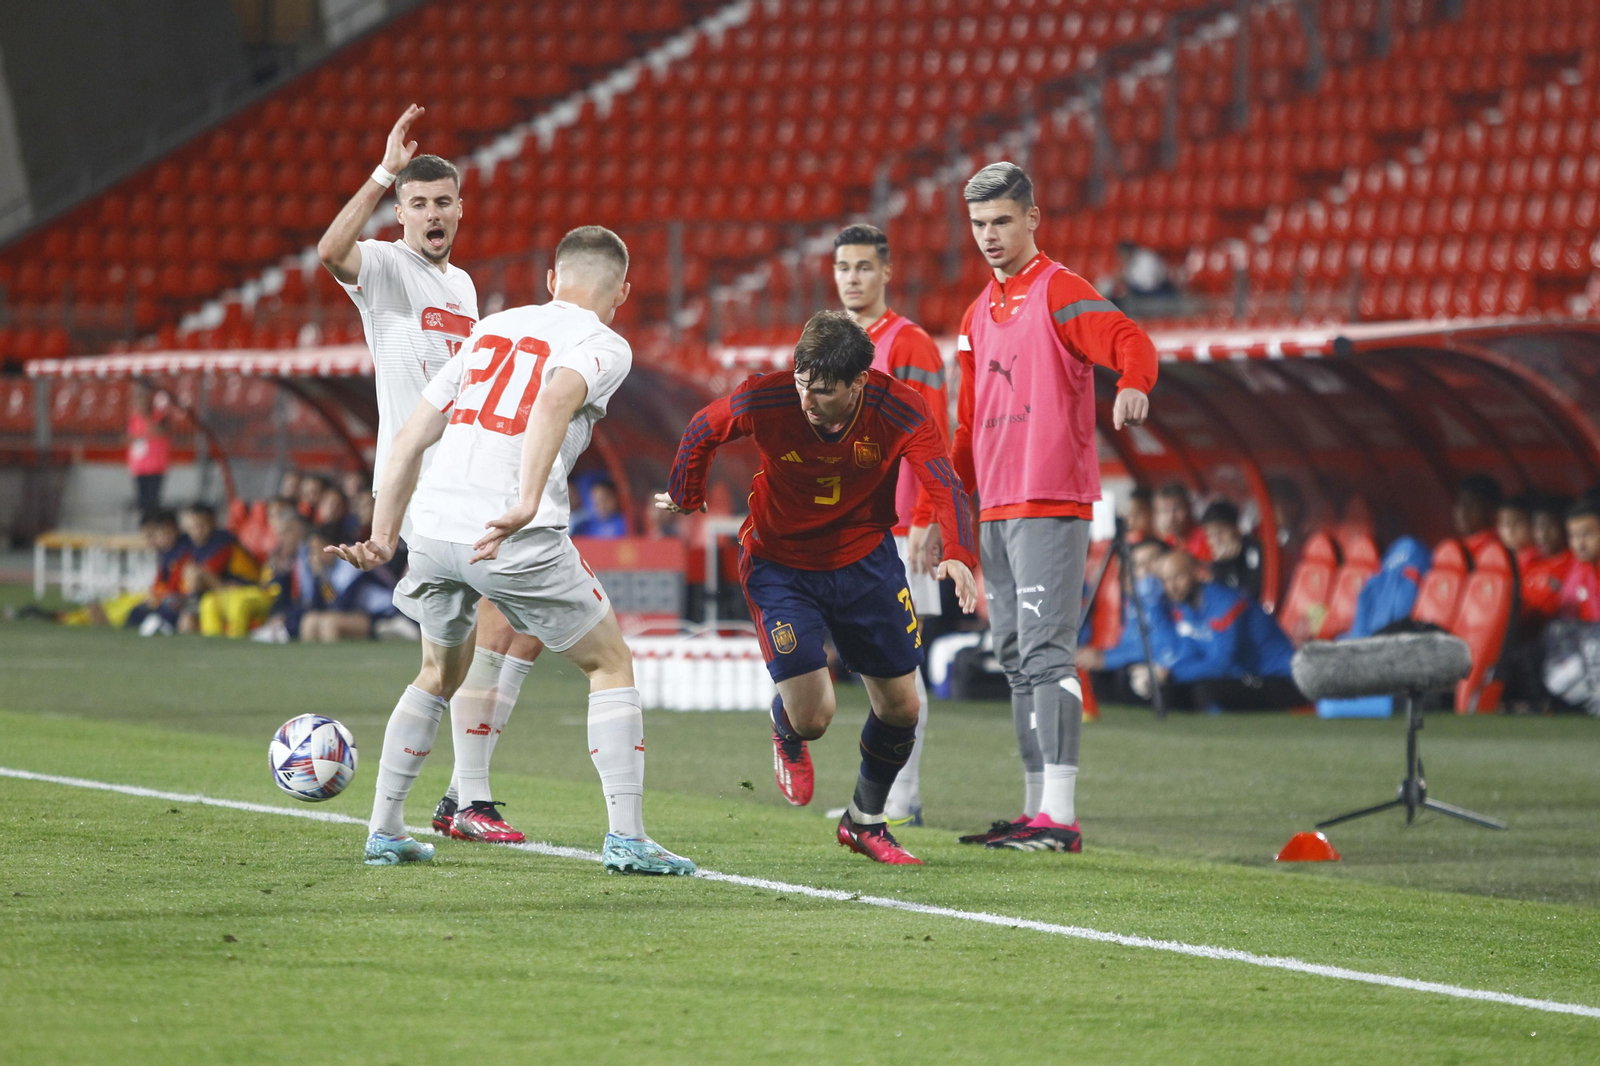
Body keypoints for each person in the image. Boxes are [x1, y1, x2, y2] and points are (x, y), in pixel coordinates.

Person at [328, 225, 694, 874]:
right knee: (608, 661)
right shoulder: (603, 342)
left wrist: (385, 536)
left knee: (438, 673)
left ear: (553, 280)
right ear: (622, 293)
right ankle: (628, 838)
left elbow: (412, 433)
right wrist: (527, 498)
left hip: (434, 526)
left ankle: (385, 830)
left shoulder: (494, 326)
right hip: (509, 530)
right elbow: (556, 395)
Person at [658, 310, 978, 865]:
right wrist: (686, 492)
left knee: (903, 706)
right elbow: (702, 430)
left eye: (823, 391)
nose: (807, 400)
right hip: (780, 566)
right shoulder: (767, 396)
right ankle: (786, 727)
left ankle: (865, 821)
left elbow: (943, 481)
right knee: (814, 717)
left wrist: (959, 554)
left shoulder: (899, 406)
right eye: (803, 384)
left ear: (859, 384)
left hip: (864, 562)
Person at [317, 103, 546, 845]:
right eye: (417, 203)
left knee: (453, 664)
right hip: (418, 488)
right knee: (508, 618)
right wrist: (383, 170)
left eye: (443, 201)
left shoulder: (466, 288)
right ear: (403, 212)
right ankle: (467, 798)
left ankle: (426, 811)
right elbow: (329, 250)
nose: (431, 213)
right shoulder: (384, 266)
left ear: (459, 207)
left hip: (468, 482)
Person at [949, 162, 1156, 853]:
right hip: (995, 510)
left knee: (1045, 653)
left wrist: (1133, 383)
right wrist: (947, 511)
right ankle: (1036, 808)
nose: (989, 236)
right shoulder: (977, 314)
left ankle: (1060, 819)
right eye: (978, 224)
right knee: (1013, 656)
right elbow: (965, 424)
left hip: (1049, 499)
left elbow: (1130, 339)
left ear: (1032, 219)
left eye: (1002, 221)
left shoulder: (1060, 291)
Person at [831, 222, 949, 828]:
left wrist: (929, 517)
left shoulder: (911, 343)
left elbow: (932, 437)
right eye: (844, 268)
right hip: (850, 530)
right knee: (876, 665)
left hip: (902, 528)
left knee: (902, 663)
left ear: (886, 273)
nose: (853, 277)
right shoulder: (830, 345)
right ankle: (882, 793)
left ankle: (902, 797)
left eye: (863, 267)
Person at [1135, 551, 1304, 712]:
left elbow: (1222, 664)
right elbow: (1185, 653)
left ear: (1198, 573)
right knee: (1168, 690)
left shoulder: (1226, 604)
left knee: (1206, 691)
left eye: (1178, 577)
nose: (1171, 587)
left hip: (1280, 679)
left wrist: (1170, 674)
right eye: (1165, 580)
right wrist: (1157, 671)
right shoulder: (1186, 608)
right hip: (1243, 678)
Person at [177, 502, 271, 638]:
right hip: (225, 591)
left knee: (195, 573)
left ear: (213, 523)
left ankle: (192, 605)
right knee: (187, 622)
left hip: (248, 589)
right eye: (192, 527)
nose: (197, 531)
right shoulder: (193, 545)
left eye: (201, 525)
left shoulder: (223, 540)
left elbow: (203, 575)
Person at [1201, 499, 1263, 600]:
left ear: (1237, 529)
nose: (1216, 540)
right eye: (1210, 535)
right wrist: (1221, 565)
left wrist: (1230, 562)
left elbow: (1252, 593)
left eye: (1220, 532)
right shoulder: (1219, 564)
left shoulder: (1253, 549)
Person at [126, 386, 169, 515]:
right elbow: (129, 438)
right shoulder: (133, 418)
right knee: (142, 500)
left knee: (153, 499)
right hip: (139, 466)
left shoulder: (159, 416)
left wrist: (145, 421)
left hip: (156, 466)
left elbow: (161, 432)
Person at [1155, 482, 1210, 561]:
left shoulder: (1207, 538)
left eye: (1177, 509)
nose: (1171, 517)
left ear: (1189, 507)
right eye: (1164, 510)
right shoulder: (1166, 543)